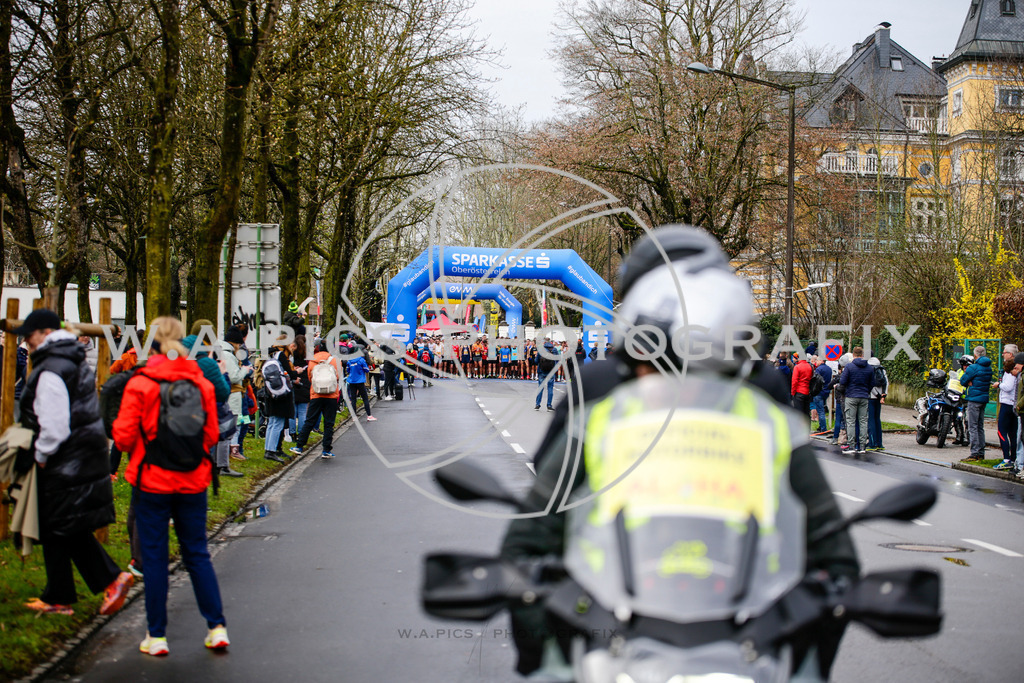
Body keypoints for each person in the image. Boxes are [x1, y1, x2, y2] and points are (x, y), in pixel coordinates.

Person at [501, 225, 858, 679]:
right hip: (615, 618)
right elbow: (542, 516)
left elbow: (827, 549)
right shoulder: (606, 396)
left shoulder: (753, 397)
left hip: (739, 624)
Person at [112, 316, 229, 656]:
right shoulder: (201, 381)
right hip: (193, 479)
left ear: (154, 342)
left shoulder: (141, 381)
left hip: (151, 479)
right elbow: (210, 433)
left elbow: (121, 436)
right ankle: (217, 627)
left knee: (154, 556)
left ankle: (157, 635)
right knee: (197, 554)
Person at [16, 309, 134, 617]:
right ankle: (60, 595)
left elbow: (54, 425)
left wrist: (40, 456)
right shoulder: (71, 360)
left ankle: (107, 579)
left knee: (61, 525)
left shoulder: (51, 369)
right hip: (81, 455)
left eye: (29, 338)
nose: (27, 345)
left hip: (63, 459)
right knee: (61, 526)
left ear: (43, 333)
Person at [291, 340, 343, 459]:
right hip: (331, 395)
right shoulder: (334, 360)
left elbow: (310, 377)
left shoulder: (312, 361)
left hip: (316, 394)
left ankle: (299, 446)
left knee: (310, 420)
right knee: (329, 423)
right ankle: (326, 449)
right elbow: (338, 376)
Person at [216, 327, 251, 477]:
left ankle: (222, 462)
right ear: (236, 343)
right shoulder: (228, 355)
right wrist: (245, 370)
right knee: (231, 427)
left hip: (229, 394)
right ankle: (226, 461)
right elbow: (234, 377)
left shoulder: (222, 352)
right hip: (233, 394)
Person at [262, 338, 297, 463]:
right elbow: (290, 374)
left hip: (271, 392)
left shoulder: (270, 355)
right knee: (278, 423)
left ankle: (268, 448)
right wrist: (296, 372)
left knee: (272, 423)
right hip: (281, 393)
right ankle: (272, 451)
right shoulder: (281, 356)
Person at [960, 345, 993, 461]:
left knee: (972, 426)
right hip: (984, 398)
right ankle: (981, 452)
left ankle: (975, 453)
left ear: (975, 355)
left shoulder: (973, 367)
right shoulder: (988, 368)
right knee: (980, 427)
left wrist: (969, 381)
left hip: (974, 399)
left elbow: (963, 381)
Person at [839, 347, 873, 455]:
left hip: (851, 396)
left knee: (850, 421)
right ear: (862, 354)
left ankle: (851, 445)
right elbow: (873, 382)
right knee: (863, 421)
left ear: (853, 355)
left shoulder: (849, 367)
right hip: (864, 396)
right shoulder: (869, 367)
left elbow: (843, 381)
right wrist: (866, 391)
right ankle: (862, 446)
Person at [992, 355, 1021, 471]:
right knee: (1013, 433)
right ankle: (1014, 458)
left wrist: (999, 385)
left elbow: (1008, 387)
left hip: (1006, 404)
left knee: (1002, 431)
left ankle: (1006, 459)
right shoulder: (1018, 375)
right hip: (1013, 404)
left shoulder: (1009, 374)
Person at [344, 347, 376, 422]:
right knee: (365, 398)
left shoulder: (349, 361)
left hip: (352, 381)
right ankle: (369, 415)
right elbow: (366, 369)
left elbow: (348, 370)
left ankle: (354, 417)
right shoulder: (361, 360)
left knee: (353, 399)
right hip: (360, 381)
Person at [947, 355, 972, 445]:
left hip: (968, 399)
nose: (965, 367)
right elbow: (953, 381)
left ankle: (967, 438)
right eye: (963, 365)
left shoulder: (972, 372)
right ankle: (959, 436)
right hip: (958, 398)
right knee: (956, 418)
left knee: (967, 419)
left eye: (967, 365)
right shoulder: (958, 372)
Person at [866, 357, 888, 451]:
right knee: (877, 420)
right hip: (879, 399)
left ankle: (872, 443)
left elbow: (869, 384)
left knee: (870, 420)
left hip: (871, 397)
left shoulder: (869, 370)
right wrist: (882, 396)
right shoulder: (882, 370)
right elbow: (886, 383)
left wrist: (876, 394)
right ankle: (880, 443)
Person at [810, 356, 833, 434]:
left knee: (820, 411)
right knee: (822, 408)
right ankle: (821, 426)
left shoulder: (819, 369)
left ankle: (823, 428)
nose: (816, 361)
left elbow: (816, 380)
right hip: (826, 391)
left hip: (819, 392)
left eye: (818, 360)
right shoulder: (829, 369)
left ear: (822, 360)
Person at [534, 337, 558, 411]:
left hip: (542, 371)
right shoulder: (554, 350)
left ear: (544, 343)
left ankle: (537, 404)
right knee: (550, 388)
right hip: (551, 371)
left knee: (540, 388)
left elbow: (536, 361)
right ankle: (549, 405)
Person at [790, 351, 812, 416]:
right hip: (807, 392)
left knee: (798, 414)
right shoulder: (809, 366)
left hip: (799, 392)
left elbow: (794, 381)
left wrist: (793, 393)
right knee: (806, 413)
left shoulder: (797, 367)